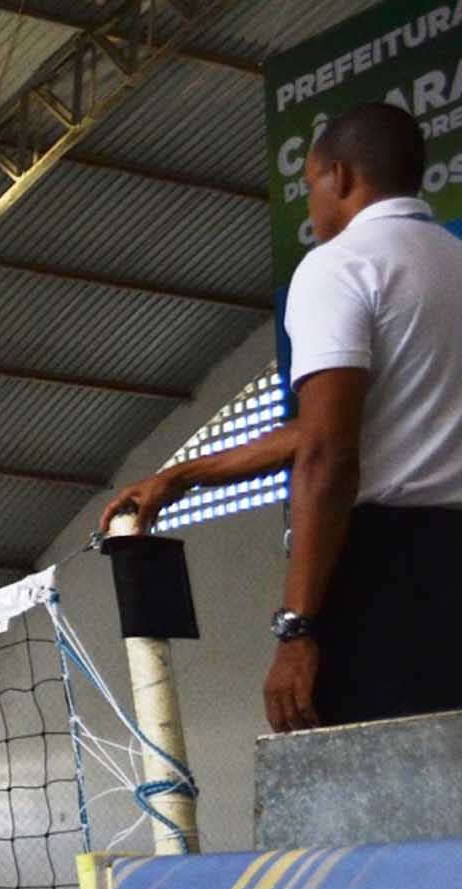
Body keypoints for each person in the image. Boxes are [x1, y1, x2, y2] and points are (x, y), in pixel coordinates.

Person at [102, 105, 462, 732]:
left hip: (389, 571)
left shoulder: (340, 266)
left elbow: (328, 451)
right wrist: (187, 474)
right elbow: (341, 423)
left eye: (309, 187)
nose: (311, 208)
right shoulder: (452, 264)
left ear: (340, 176)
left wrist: (297, 628)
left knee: (375, 795)